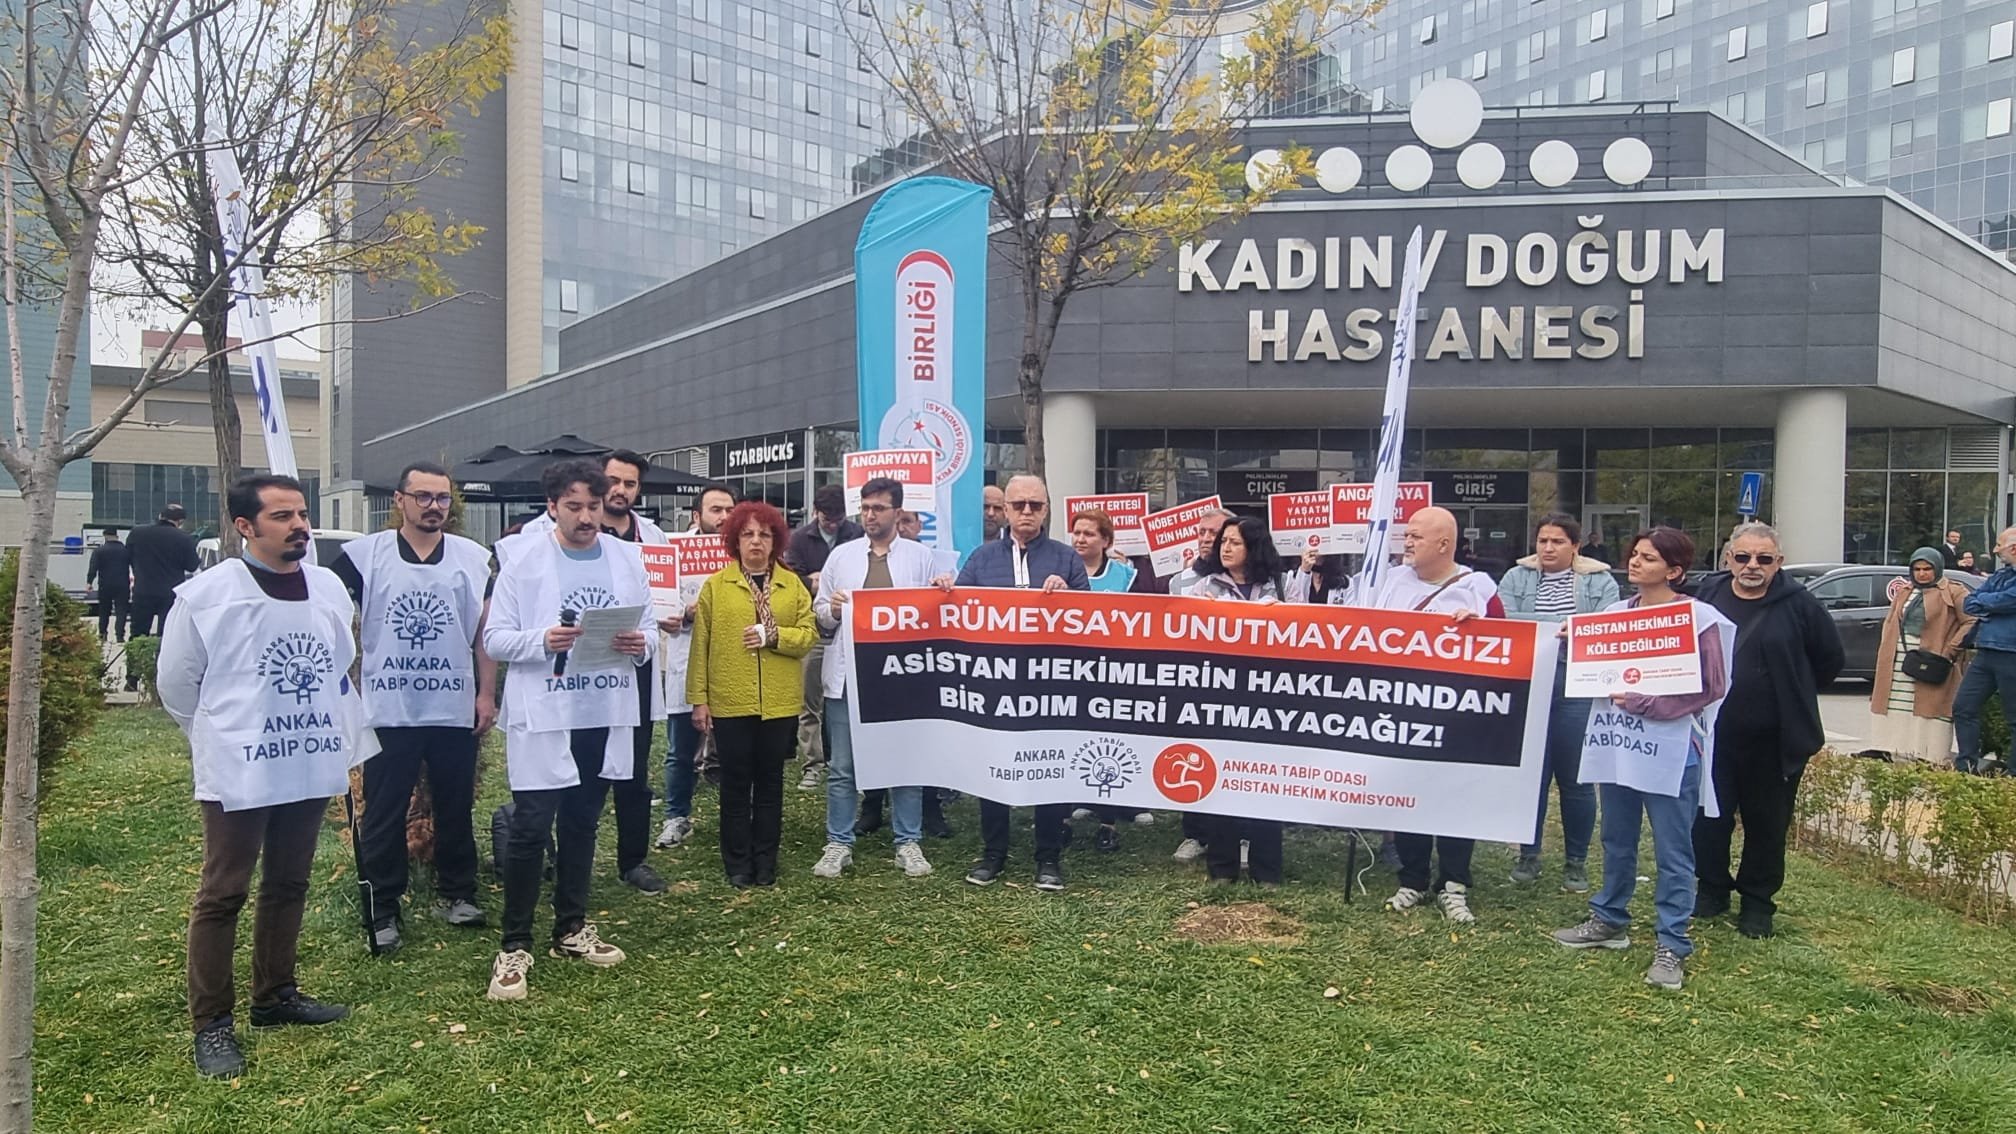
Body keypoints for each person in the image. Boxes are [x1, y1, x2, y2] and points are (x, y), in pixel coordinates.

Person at [159, 474, 368, 1078]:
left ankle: (275, 994)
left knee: (289, 880)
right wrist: (224, 736)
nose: (299, 526)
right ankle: (212, 1022)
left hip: (307, 755)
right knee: (224, 890)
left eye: (301, 514)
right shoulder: (208, 596)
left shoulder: (326, 587)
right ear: (245, 527)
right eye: (282, 516)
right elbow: (177, 684)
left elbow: (340, 661)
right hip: (240, 764)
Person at [482, 460, 655, 1001]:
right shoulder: (523, 562)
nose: (586, 517)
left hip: (600, 707)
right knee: (533, 825)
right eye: (574, 506)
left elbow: (649, 625)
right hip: (545, 712)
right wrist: (541, 640)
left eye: (593, 506)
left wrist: (640, 644)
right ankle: (514, 944)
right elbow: (495, 639)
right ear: (552, 507)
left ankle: (571, 927)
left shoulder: (626, 559)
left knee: (583, 820)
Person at [1552, 528, 1733, 992]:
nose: (1635, 562)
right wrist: (1575, 643)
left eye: (1648, 558)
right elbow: (1593, 672)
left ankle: (1672, 943)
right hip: (1617, 744)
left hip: (1672, 749)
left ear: (1674, 570)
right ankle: (1610, 918)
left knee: (1673, 850)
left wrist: (1647, 703)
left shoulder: (1698, 619)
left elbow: (1711, 684)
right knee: (1616, 838)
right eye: (1634, 554)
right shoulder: (1614, 615)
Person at [331, 461, 499, 954]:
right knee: (383, 812)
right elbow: (327, 613)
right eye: (422, 496)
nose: (433, 506)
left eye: (442, 498)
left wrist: (486, 694)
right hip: (389, 707)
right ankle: (382, 907)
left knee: (455, 806)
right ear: (400, 500)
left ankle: (458, 892)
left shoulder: (473, 559)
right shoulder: (364, 557)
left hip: (452, 705)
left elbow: (485, 633)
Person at [1692, 522, 1843, 939]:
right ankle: (1711, 889)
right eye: (1743, 557)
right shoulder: (1707, 595)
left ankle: (1757, 904)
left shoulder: (1801, 605)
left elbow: (1829, 660)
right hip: (1714, 736)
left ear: (1779, 562)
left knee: (1767, 825)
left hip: (1775, 740)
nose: (1752, 566)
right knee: (1708, 819)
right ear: (1728, 559)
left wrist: (1792, 689)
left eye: (1764, 558)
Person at [951, 474, 1089, 891]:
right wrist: (943, 592)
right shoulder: (981, 559)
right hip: (996, 686)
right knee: (992, 769)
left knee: (1050, 769)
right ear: (1005, 510)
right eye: (1018, 505)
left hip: (1050, 687)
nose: (1026, 512)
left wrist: (1069, 596)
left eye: (1035, 505)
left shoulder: (1066, 558)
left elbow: (1093, 620)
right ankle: (993, 854)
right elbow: (956, 614)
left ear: (1046, 510)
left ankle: (1048, 857)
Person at [1374, 506, 1505, 925]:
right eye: (1407, 534)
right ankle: (1411, 877)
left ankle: (1454, 883)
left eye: (1416, 536)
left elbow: (1506, 647)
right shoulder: (1389, 583)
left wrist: (1480, 629)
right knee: (1407, 794)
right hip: (1402, 711)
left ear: (1444, 544)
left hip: (1457, 718)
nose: (1407, 542)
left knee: (1454, 796)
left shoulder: (1479, 590)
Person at [810, 477, 940, 880]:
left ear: (897, 512)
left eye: (878, 508)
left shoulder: (920, 557)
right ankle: (839, 842)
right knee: (843, 766)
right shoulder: (842, 557)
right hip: (849, 677)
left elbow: (935, 614)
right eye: (865, 508)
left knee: (905, 764)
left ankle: (908, 841)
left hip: (902, 679)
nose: (870, 515)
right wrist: (832, 609)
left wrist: (943, 592)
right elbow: (820, 615)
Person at [688, 500, 817, 887]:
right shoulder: (717, 586)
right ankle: (738, 862)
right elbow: (701, 645)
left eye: (764, 534)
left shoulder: (791, 585)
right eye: (747, 534)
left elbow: (808, 635)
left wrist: (773, 636)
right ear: (735, 540)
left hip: (778, 701)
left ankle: (766, 861)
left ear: (776, 540)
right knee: (735, 783)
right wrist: (699, 698)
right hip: (731, 699)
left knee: (770, 783)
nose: (756, 541)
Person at [1496, 513, 1621, 892]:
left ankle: (1576, 862)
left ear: (1575, 546)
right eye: (1543, 541)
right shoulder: (1515, 577)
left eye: (1558, 542)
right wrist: (1566, 623)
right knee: (1531, 775)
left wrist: (1542, 623)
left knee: (1576, 779)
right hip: (1529, 682)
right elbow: (1504, 620)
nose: (1548, 548)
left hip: (1577, 686)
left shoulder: (1600, 581)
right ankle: (1528, 854)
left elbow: (1606, 628)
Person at [1186, 515, 1289, 885]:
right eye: (1223, 542)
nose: (1225, 548)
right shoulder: (1204, 586)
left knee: (1266, 783)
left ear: (1254, 548)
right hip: (1220, 697)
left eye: (1235, 542)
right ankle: (1222, 867)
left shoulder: (1281, 586)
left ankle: (1267, 869)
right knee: (1222, 781)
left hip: (1268, 700)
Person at [656, 482, 738, 848]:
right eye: (716, 510)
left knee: (737, 747)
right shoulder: (674, 552)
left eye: (729, 510)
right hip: (687, 659)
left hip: (735, 661)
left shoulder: (746, 550)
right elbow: (660, 606)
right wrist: (682, 614)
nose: (724, 517)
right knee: (681, 748)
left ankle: (737, 817)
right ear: (696, 515)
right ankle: (676, 817)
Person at [784, 485, 865, 791]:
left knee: (849, 701)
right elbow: (790, 579)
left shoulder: (857, 534)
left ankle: (848, 760)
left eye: (838, 518)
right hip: (815, 629)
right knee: (810, 702)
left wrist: (821, 580)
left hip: (852, 631)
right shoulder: (799, 538)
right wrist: (811, 582)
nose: (832, 524)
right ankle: (813, 765)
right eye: (827, 518)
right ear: (816, 512)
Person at [1868, 549, 1975, 767]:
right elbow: (1891, 621)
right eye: (1917, 569)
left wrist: (1951, 649)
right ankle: (1894, 750)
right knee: (1897, 704)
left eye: (1927, 569)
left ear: (1938, 568)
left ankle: (1929, 755)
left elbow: (1971, 620)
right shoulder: (1905, 590)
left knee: (1929, 706)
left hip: (1933, 659)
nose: (1922, 574)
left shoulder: (1954, 591)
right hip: (1900, 658)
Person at [1953, 526, 2016, 775]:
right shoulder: (2001, 576)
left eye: (1999, 545)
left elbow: (2007, 600)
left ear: (2014, 548)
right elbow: (1969, 602)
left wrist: (1988, 603)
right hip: (1986, 650)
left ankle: (2012, 777)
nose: (1995, 550)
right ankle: (1966, 768)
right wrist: (1992, 604)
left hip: (2011, 653)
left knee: (2014, 718)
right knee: (1963, 707)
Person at [128, 503, 200, 638]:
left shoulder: (137, 533)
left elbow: (128, 557)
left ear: (160, 516)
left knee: (138, 632)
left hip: (143, 589)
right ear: (180, 521)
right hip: (171, 593)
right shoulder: (184, 538)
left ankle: (136, 651)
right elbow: (192, 567)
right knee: (167, 634)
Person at [1071, 509, 1138, 594]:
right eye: (1076, 533)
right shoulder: (1059, 569)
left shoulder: (1126, 576)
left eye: (1088, 534)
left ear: (1105, 541)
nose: (1080, 540)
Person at [88, 528, 132, 641]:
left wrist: (89, 582)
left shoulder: (99, 551)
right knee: (121, 610)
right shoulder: (126, 550)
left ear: (105, 536)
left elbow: (93, 567)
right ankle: (120, 635)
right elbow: (134, 565)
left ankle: (103, 634)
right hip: (122, 584)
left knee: (104, 610)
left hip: (105, 584)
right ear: (117, 536)